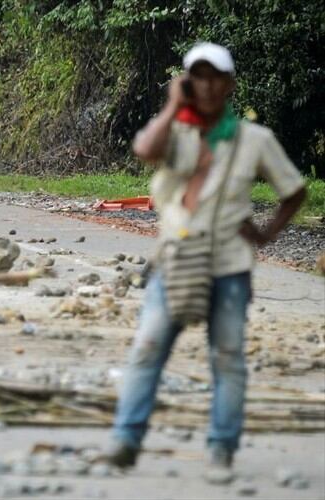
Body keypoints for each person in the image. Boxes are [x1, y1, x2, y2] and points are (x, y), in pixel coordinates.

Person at [107, 43, 307, 480]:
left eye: (215, 77)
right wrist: (172, 104)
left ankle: (221, 449)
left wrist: (267, 233)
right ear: (187, 82)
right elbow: (144, 149)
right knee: (147, 347)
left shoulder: (255, 140)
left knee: (228, 357)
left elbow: (294, 191)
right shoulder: (176, 132)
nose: (207, 85)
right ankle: (125, 439)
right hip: (175, 259)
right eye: (197, 77)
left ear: (230, 85)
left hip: (229, 265)